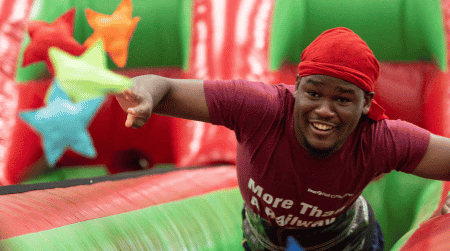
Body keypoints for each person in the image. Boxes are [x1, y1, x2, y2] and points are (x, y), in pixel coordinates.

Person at [115, 27, 450, 250]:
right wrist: (144, 96)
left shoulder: (380, 140)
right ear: (296, 89)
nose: (324, 110)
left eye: (343, 99)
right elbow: (164, 85)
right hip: (264, 238)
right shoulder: (260, 109)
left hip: (346, 241)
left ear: (366, 103)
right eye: (314, 93)